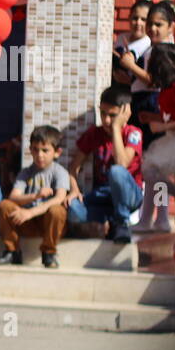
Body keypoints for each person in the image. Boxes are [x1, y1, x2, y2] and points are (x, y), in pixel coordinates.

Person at [67, 85, 144, 243]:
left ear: (125, 113)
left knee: (116, 171)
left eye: (113, 115)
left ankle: (122, 223)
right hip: (103, 196)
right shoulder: (94, 133)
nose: (107, 120)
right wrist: (74, 190)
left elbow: (122, 163)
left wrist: (116, 128)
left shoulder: (133, 133)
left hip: (129, 195)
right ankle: (111, 222)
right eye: (103, 113)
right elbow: (73, 168)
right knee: (73, 209)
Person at [136, 43, 175, 232]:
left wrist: (162, 126)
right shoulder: (168, 91)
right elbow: (174, 114)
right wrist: (153, 117)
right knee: (156, 177)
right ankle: (154, 220)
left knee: (150, 169)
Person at [0, 125, 71, 268]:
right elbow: (14, 197)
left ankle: (49, 253)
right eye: (35, 149)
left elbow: (59, 198)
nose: (39, 155)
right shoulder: (26, 172)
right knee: (4, 205)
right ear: (30, 150)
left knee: (57, 210)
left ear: (57, 152)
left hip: (48, 223)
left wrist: (30, 212)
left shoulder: (60, 172)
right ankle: (12, 251)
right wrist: (35, 196)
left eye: (45, 150)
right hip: (26, 222)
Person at [112, 0, 152, 87]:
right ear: (129, 18)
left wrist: (130, 67)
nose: (138, 23)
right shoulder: (122, 38)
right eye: (135, 18)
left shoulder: (149, 45)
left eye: (143, 19)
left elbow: (152, 80)